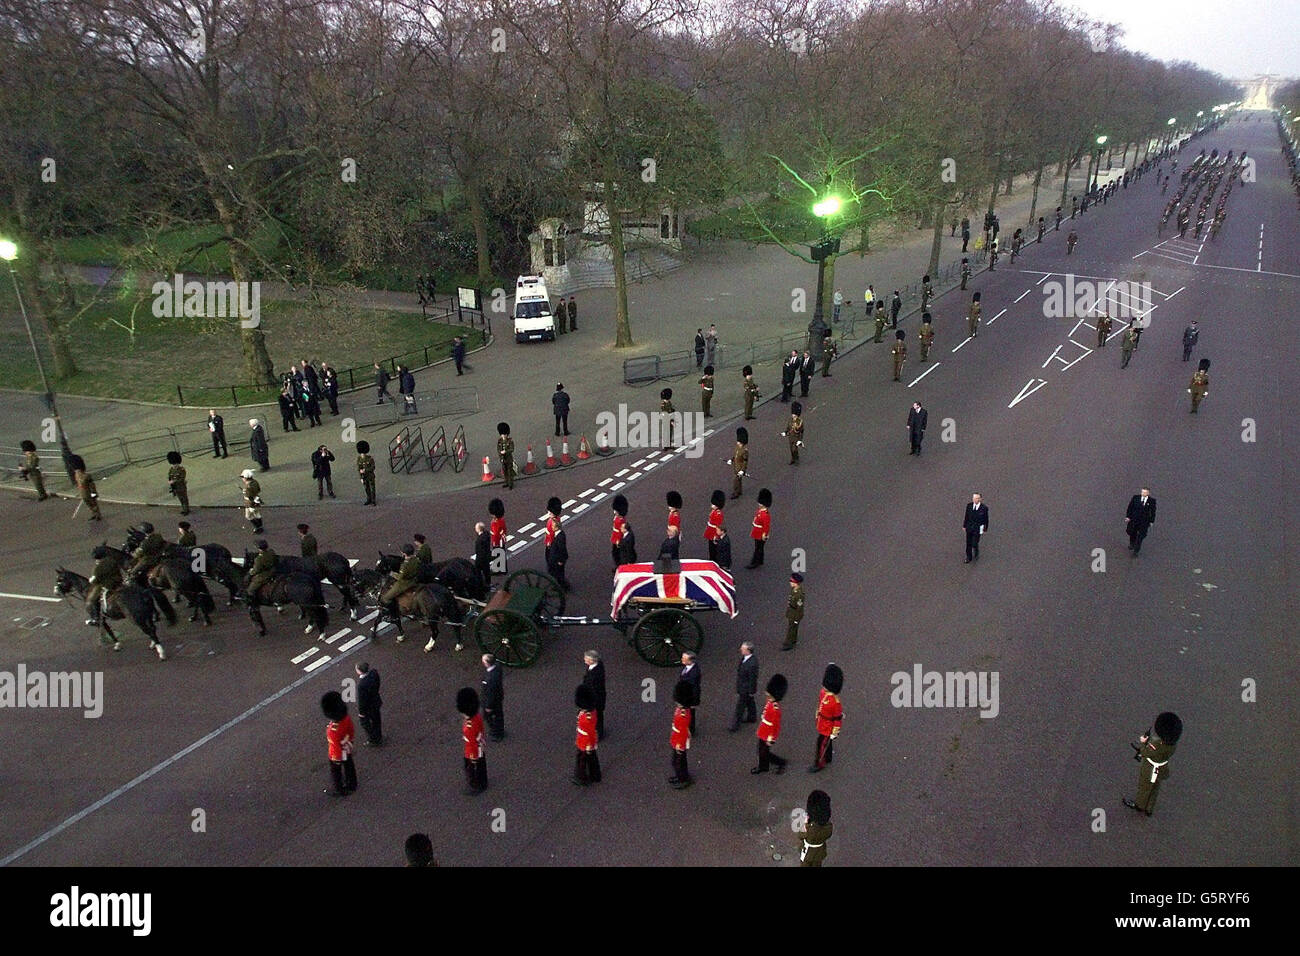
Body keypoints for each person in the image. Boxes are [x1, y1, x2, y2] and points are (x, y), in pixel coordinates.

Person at [1123, 712, 1182, 817]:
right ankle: (1149, 808)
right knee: (1155, 788)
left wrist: (1143, 742)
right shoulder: (1172, 745)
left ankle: (1140, 805)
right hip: (1161, 768)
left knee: (1144, 787)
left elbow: (1145, 752)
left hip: (1150, 768)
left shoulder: (1156, 745)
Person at [321, 691, 358, 796]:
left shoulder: (333, 730)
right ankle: (352, 784)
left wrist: (336, 759)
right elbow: (351, 730)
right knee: (349, 765)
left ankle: (339, 789)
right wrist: (350, 741)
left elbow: (336, 746)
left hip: (337, 753)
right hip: (347, 747)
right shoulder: (346, 718)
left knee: (336, 772)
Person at [751, 673, 787, 774]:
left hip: (767, 734)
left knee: (764, 752)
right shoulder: (770, 703)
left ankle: (780, 763)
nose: (767, 696)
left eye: (769, 696)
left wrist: (771, 739)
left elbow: (775, 726)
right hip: (763, 731)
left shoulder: (775, 709)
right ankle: (763, 766)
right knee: (761, 751)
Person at [810, 664, 843, 773]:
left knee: (821, 744)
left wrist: (835, 731)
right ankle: (828, 757)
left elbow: (837, 719)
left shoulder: (835, 702)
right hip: (822, 721)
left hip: (828, 726)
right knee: (827, 743)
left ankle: (820, 763)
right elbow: (820, 705)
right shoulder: (823, 693)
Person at [457, 687, 487, 794]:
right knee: (482, 767)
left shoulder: (469, 725)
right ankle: (483, 783)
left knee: (472, 771)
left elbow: (472, 743)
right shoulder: (477, 717)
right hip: (480, 746)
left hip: (472, 752)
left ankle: (475, 787)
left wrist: (473, 758)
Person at [381, 543, 420, 621]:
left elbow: (400, 577)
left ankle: (393, 615)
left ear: (404, 553)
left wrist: (392, 573)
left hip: (405, 583)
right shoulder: (416, 559)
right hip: (415, 580)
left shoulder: (405, 564)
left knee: (385, 598)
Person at [85, 545, 123, 626]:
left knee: (92, 600)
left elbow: (95, 580)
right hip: (119, 582)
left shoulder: (98, 568)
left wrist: (91, 580)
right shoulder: (112, 560)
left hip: (108, 586)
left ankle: (97, 618)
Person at [669, 680, 694, 789]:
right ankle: (680, 776)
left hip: (679, 741)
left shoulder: (683, 714)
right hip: (677, 738)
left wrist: (680, 745)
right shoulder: (683, 710)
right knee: (677, 762)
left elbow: (683, 731)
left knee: (678, 762)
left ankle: (683, 778)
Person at [573, 685, 601, 785]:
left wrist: (588, 745)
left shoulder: (587, 717)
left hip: (585, 741)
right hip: (586, 739)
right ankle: (595, 775)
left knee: (582, 760)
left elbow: (589, 732)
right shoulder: (590, 712)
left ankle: (581, 778)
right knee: (592, 758)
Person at [729, 642, 758, 732]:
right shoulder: (746, 659)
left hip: (745, 688)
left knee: (740, 707)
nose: (741, 650)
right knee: (750, 702)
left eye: (743, 648)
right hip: (743, 686)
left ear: (748, 651)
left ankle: (735, 725)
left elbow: (753, 678)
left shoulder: (752, 664)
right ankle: (752, 717)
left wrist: (751, 690)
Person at [800, 790, 832, 866]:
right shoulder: (828, 826)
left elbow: (800, 835)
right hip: (820, 852)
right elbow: (829, 835)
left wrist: (806, 823)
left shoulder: (809, 829)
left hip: (808, 853)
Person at [544, 497, 570, 591]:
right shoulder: (553, 520)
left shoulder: (554, 523)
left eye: (550, 512)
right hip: (550, 546)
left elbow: (561, 547)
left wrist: (560, 559)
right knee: (552, 566)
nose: (548, 514)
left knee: (556, 569)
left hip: (552, 547)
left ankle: (561, 585)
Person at [356, 662, 383, 747]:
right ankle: (379, 735)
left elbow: (362, 700)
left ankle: (373, 739)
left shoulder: (361, 685)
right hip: (376, 701)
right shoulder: (374, 673)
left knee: (365, 723)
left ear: (360, 671)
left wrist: (361, 713)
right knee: (377, 720)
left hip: (368, 707)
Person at [582, 650, 607, 741]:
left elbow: (595, 687)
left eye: (587, 659)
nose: (584, 660)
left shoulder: (596, 672)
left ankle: (597, 734)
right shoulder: (595, 667)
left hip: (596, 698)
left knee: (596, 715)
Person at [1125, 487, 1156, 555]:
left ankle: (1136, 550)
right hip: (1134, 520)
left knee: (1141, 536)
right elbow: (1130, 507)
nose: (1143, 493)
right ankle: (1132, 543)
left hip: (1144, 522)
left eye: (1145, 492)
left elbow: (1153, 512)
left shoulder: (1152, 501)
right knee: (1132, 532)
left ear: (1148, 493)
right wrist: (1128, 517)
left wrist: (1151, 521)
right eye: (1142, 492)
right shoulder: (1135, 498)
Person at [481, 653, 505, 741]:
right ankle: (500, 731)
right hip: (498, 698)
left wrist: (488, 706)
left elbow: (490, 693)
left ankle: (496, 734)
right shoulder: (497, 668)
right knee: (499, 715)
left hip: (492, 702)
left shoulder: (490, 679)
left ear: (487, 663)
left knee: (490, 717)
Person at [746, 488, 772, 568]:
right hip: (757, 531)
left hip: (760, 533)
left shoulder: (765, 514)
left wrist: (764, 534)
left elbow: (766, 526)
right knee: (759, 547)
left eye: (760, 503)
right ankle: (760, 560)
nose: (759, 504)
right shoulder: (761, 511)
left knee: (758, 548)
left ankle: (755, 562)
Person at [610, 494, 636, 566]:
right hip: (615, 538)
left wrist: (619, 540)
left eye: (616, 511)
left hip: (618, 539)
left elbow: (621, 531)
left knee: (618, 553)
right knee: (615, 553)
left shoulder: (621, 520)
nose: (615, 512)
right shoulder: (617, 517)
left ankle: (620, 565)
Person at [680, 651, 701, 734]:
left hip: (690, 696)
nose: (682, 659)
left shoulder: (694, 672)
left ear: (690, 661)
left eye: (684, 658)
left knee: (690, 714)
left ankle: (691, 730)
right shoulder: (689, 668)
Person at [963, 493, 988, 563]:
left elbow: (986, 519)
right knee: (968, 543)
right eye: (974, 498)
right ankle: (968, 557)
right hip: (969, 527)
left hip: (978, 527)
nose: (975, 500)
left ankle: (976, 549)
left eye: (976, 498)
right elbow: (966, 516)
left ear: (980, 499)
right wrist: (964, 525)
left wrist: (985, 528)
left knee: (974, 542)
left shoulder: (984, 508)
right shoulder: (969, 506)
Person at [782, 573, 805, 650]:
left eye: (792, 582)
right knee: (793, 627)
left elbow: (799, 607)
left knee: (791, 628)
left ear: (796, 583)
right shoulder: (794, 590)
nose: (790, 583)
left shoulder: (798, 594)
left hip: (795, 613)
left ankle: (789, 643)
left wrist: (797, 618)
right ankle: (793, 640)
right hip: (791, 611)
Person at [705, 489, 726, 563]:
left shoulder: (718, 514)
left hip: (714, 532)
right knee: (711, 548)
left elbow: (718, 526)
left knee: (714, 549)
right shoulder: (714, 511)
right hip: (710, 531)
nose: (712, 505)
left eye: (713, 504)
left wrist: (716, 536)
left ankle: (715, 562)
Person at [728, 426, 749, 500]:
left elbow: (745, 461)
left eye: (739, 442)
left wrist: (742, 470)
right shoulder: (737, 447)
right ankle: (739, 491)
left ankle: (736, 493)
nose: (737, 443)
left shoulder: (744, 451)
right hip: (736, 467)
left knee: (735, 480)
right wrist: (731, 460)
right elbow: (735, 455)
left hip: (740, 468)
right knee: (739, 480)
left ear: (742, 443)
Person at [488, 498, 507, 575]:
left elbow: (496, 534)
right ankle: (502, 569)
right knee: (501, 554)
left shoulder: (496, 522)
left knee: (498, 554)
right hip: (500, 540)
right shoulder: (500, 520)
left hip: (498, 541)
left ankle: (498, 570)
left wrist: (494, 542)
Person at [356, 440, 377, 505]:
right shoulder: (359, 459)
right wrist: (361, 478)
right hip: (364, 477)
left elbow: (373, 467)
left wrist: (366, 470)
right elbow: (359, 468)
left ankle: (373, 500)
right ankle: (369, 499)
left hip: (370, 476)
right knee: (366, 489)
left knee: (372, 489)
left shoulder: (370, 458)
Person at [474, 521, 492, 591]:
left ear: (478, 529)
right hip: (486, 557)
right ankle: (488, 584)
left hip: (481, 558)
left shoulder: (479, 540)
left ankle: (481, 585)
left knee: (478, 572)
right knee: (486, 571)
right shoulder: (486, 535)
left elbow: (479, 550)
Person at [496, 422, 515, 489]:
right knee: (505, 472)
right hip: (503, 459)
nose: (503, 436)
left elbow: (512, 449)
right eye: (502, 434)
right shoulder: (499, 441)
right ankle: (506, 482)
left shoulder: (510, 441)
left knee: (510, 472)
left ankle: (510, 484)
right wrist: (500, 455)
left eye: (504, 434)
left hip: (508, 459)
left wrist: (505, 451)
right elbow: (498, 448)